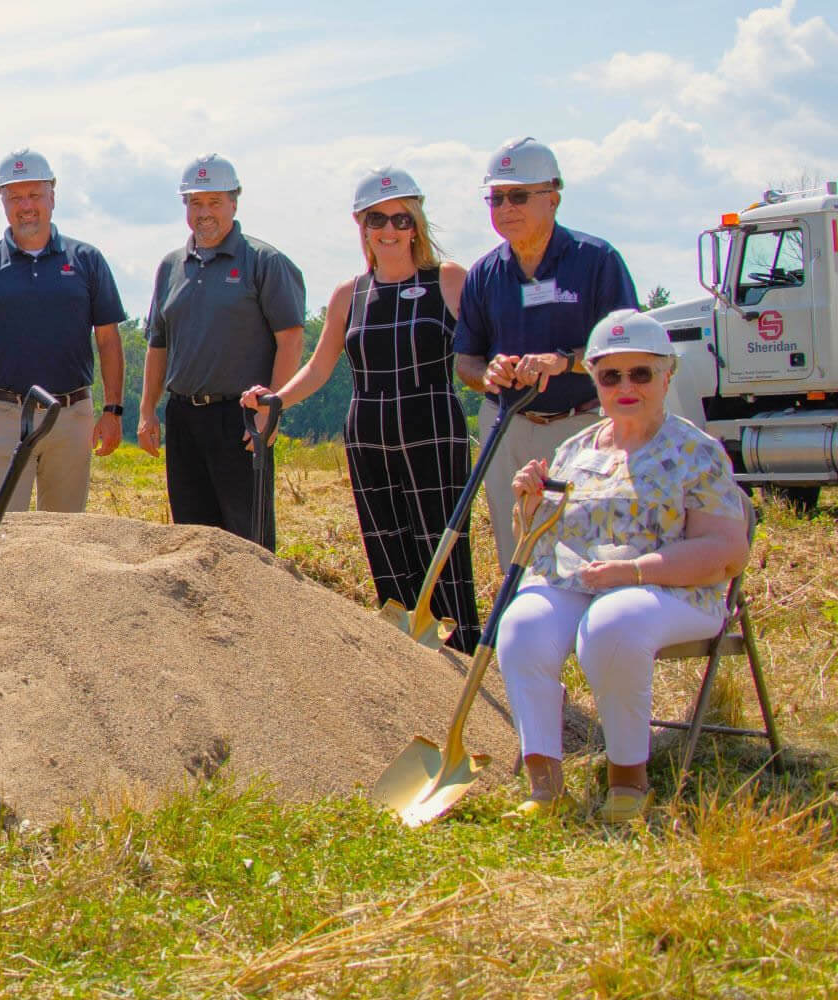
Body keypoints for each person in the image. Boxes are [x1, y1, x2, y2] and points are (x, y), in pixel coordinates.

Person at [497, 311, 749, 823]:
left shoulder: (696, 452)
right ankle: (544, 787)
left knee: (611, 623)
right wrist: (528, 503)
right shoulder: (574, 450)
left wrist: (632, 573)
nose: (626, 386)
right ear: (595, 380)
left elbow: (726, 551)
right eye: (611, 376)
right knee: (521, 626)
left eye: (641, 373)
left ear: (667, 375)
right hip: (579, 583)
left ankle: (628, 784)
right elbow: (542, 544)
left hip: (676, 591)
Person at [239, 167, 480, 650]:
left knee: (442, 542)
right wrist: (275, 400)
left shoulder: (449, 280)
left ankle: (463, 653)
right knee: (385, 542)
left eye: (400, 219)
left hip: (432, 423)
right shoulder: (349, 294)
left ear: (416, 224)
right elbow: (321, 365)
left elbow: (482, 352)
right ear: (361, 225)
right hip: (368, 429)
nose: (389, 231)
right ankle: (406, 653)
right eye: (377, 219)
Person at [453, 136, 640, 570]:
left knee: (586, 545)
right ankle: (520, 628)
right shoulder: (484, 273)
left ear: (553, 198)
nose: (505, 208)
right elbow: (466, 360)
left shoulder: (596, 260)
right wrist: (489, 375)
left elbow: (626, 348)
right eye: (496, 198)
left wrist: (564, 361)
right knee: (513, 546)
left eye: (518, 195)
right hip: (506, 425)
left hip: (580, 423)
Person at [139, 153, 306, 550]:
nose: (205, 212)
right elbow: (157, 343)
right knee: (193, 539)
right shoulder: (171, 266)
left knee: (248, 541)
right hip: (183, 416)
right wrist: (148, 410)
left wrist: (272, 409)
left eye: (214, 202)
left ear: (234, 201)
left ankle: (256, 613)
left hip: (241, 418)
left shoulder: (264, 261)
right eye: (195, 203)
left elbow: (291, 339)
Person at [0, 148, 125, 512]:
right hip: (5, 414)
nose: (25, 205)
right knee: (2, 531)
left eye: (34, 194)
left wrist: (113, 410)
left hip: (71, 413)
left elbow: (108, 340)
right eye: (14, 196)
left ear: (52, 196)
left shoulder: (87, 260)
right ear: (2, 201)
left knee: (63, 536)